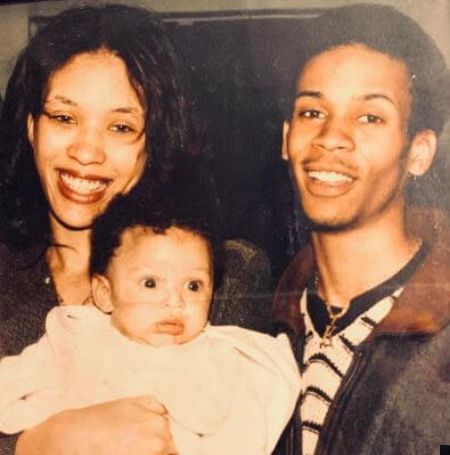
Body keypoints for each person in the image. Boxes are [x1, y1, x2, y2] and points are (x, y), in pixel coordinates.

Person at [0, 4, 270, 454]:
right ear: (32, 128)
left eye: (120, 126)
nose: (86, 151)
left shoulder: (224, 276)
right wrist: (28, 446)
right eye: (64, 118)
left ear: (154, 142)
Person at [272, 4, 450, 455]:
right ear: (285, 138)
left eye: (369, 117)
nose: (331, 137)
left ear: (419, 152)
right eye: (313, 112)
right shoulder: (254, 325)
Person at [0, 192, 300, 454]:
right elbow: (11, 384)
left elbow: (245, 437)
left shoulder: (221, 359)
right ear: (105, 293)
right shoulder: (76, 334)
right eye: (151, 283)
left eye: (193, 286)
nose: (174, 301)